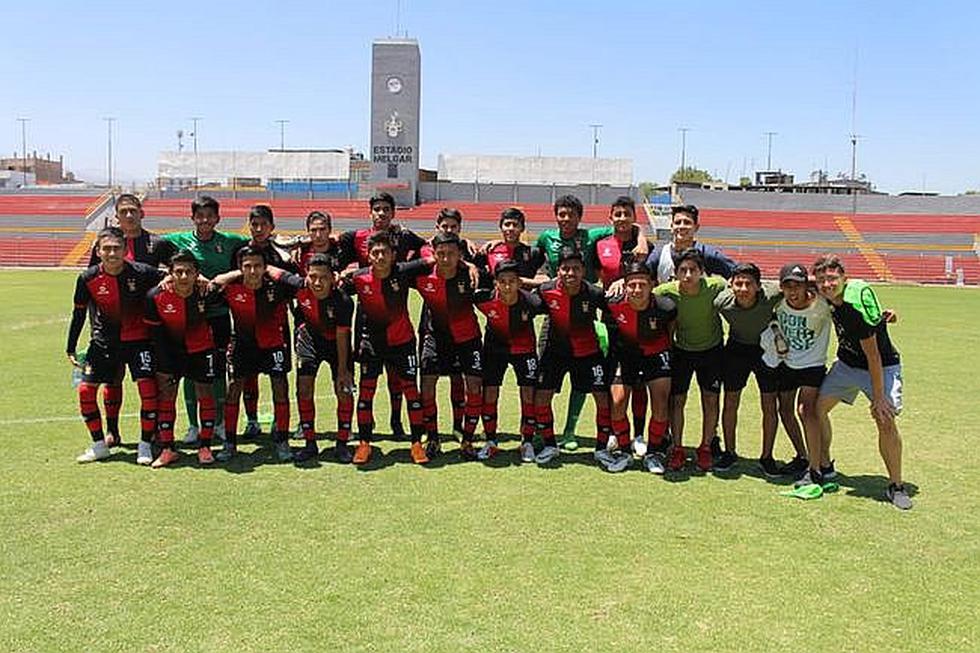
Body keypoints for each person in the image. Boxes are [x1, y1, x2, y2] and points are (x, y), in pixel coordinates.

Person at [811, 255, 911, 510]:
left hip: (880, 366)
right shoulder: (828, 296)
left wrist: (879, 397)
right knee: (818, 409)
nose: (826, 284)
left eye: (832, 278)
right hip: (847, 364)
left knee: (885, 419)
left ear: (845, 278)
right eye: (821, 280)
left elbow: (874, 356)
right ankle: (825, 464)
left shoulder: (854, 307)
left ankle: (896, 485)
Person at [68, 227, 164, 465]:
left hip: (139, 341)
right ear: (99, 252)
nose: (112, 253)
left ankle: (144, 445)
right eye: (107, 248)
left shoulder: (142, 272)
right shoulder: (87, 278)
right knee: (85, 391)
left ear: (125, 250)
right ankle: (99, 444)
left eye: (117, 248)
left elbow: (173, 276)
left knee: (148, 390)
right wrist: (70, 347)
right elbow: (78, 313)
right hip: (103, 343)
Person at [87, 194, 176, 446]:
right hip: (112, 329)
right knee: (112, 379)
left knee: (150, 382)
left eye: (133, 210)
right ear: (117, 215)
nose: (128, 215)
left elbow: (178, 267)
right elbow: (93, 282)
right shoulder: (106, 243)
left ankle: (156, 431)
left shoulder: (156, 243)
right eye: (123, 211)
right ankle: (112, 431)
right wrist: (95, 324)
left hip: (148, 329)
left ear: (141, 213)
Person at [338, 192, 426, 438]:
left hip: (397, 316)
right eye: (377, 209)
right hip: (366, 316)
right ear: (370, 212)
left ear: (393, 212)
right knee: (367, 374)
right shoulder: (356, 237)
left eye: (386, 209)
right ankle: (366, 427)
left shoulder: (404, 235)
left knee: (396, 376)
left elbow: (428, 248)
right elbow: (336, 256)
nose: (381, 213)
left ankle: (396, 422)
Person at [163, 195, 249, 445]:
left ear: (217, 218)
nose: (205, 220)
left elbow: (256, 244)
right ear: (192, 218)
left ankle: (220, 423)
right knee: (191, 372)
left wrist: (224, 276)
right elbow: (151, 248)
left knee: (218, 370)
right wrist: (164, 275)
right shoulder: (177, 240)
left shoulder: (230, 241)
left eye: (209, 216)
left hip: (220, 315)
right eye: (200, 216)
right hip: (191, 318)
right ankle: (192, 426)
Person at [534, 195, 614, 451]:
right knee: (544, 377)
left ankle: (570, 430)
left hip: (585, 312)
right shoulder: (546, 238)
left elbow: (625, 228)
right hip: (554, 313)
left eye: (571, 214)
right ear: (555, 215)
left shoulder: (590, 236)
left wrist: (642, 239)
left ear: (580, 217)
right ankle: (540, 431)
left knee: (582, 380)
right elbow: (529, 261)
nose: (566, 218)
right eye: (562, 213)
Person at [344, 232, 431, 465]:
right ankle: (364, 444)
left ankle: (416, 443)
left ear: (393, 255)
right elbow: (330, 283)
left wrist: (467, 265)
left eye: (385, 252)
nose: (380, 257)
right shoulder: (358, 278)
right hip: (372, 345)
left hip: (403, 343)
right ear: (368, 256)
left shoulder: (404, 272)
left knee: (411, 392)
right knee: (366, 393)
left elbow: (434, 259)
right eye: (375, 253)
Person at [216, 247, 305, 463]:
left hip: (273, 345)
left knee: (280, 389)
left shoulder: (277, 286)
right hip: (242, 346)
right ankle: (229, 442)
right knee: (233, 389)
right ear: (240, 268)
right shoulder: (231, 288)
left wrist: (275, 271)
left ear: (265, 267)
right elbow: (211, 285)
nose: (253, 271)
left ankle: (282, 441)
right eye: (247, 266)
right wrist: (236, 274)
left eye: (258, 266)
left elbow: (299, 283)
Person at [714, 262, 800, 472]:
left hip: (765, 350)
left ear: (758, 286)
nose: (743, 289)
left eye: (749, 284)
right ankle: (729, 452)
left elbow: (801, 287)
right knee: (731, 400)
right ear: (731, 285)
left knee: (769, 403)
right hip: (736, 350)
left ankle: (766, 456)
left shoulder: (770, 295)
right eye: (739, 284)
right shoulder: (722, 302)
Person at [144, 250, 221, 467]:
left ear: (197, 273)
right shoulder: (155, 297)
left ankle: (205, 446)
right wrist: (163, 361)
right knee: (167, 396)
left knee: (205, 394)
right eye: (179, 272)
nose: (184, 277)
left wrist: (208, 280)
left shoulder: (206, 292)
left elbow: (231, 280)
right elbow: (155, 335)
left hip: (201, 350)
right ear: (170, 274)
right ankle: (168, 449)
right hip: (170, 353)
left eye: (189, 272)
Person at [654, 248, 727, 472]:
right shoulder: (667, 291)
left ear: (702, 272)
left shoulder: (716, 286)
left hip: (712, 351)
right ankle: (677, 448)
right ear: (675, 273)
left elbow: (741, 283)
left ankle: (705, 447)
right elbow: (644, 291)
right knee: (677, 401)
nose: (688, 275)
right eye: (683, 270)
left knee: (710, 400)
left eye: (693, 270)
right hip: (682, 352)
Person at [756, 263, 831, 477]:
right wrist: (777, 334)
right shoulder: (779, 303)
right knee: (785, 410)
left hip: (813, 366)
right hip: (787, 365)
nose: (793, 291)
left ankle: (816, 468)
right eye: (788, 286)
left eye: (797, 285)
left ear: (806, 285)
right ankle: (803, 456)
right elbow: (770, 317)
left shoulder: (822, 305)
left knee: (807, 411)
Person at [415, 232, 484, 459]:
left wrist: (470, 265)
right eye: (441, 254)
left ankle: (467, 440)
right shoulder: (421, 275)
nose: (446, 259)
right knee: (426, 387)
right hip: (435, 337)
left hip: (468, 338)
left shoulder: (472, 275)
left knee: (474, 387)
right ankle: (433, 438)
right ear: (434, 254)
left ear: (460, 255)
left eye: (451, 254)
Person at [604, 261, 676, 473]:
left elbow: (670, 333)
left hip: (656, 354)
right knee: (617, 401)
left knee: (661, 402)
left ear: (651, 285)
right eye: (632, 285)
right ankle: (625, 452)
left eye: (642, 285)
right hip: (626, 356)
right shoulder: (613, 303)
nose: (637, 290)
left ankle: (653, 453)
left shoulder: (666, 307)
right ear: (625, 286)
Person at [594, 195, 654, 453]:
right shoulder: (599, 245)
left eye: (626, 214)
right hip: (610, 322)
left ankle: (639, 434)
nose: (621, 219)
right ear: (610, 218)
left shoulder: (646, 247)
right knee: (612, 380)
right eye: (617, 214)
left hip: (640, 322)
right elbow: (596, 277)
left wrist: (641, 236)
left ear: (634, 217)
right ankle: (612, 432)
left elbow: (653, 282)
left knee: (639, 381)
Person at [472, 259, 544, 460]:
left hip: (525, 350)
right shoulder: (483, 299)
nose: (507, 286)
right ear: (496, 283)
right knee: (490, 393)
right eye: (502, 281)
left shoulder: (533, 302)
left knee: (529, 394)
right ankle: (491, 440)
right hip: (495, 351)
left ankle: (527, 442)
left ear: (519, 282)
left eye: (512, 281)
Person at [292, 253, 356, 463]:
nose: (317, 283)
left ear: (333, 278)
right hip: (309, 341)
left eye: (323, 277)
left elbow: (342, 336)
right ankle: (310, 444)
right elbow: (274, 272)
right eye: (313, 277)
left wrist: (343, 370)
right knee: (304, 389)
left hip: (337, 346)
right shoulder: (298, 287)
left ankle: (342, 444)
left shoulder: (343, 301)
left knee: (344, 390)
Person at [645, 204, 736, 284]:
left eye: (687, 222)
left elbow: (737, 272)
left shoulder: (707, 254)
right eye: (677, 222)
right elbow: (643, 278)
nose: (682, 226)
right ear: (671, 227)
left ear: (696, 227)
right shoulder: (659, 255)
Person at [476, 207, 547, 289]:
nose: (511, 228)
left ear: (522, 228)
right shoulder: (489, 250)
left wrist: (520, 281)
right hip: (496, 299)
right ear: (501, 228)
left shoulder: (534, 253)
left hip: (524, 299)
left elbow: (546, 279)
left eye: (515, 225)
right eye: (507, 225)